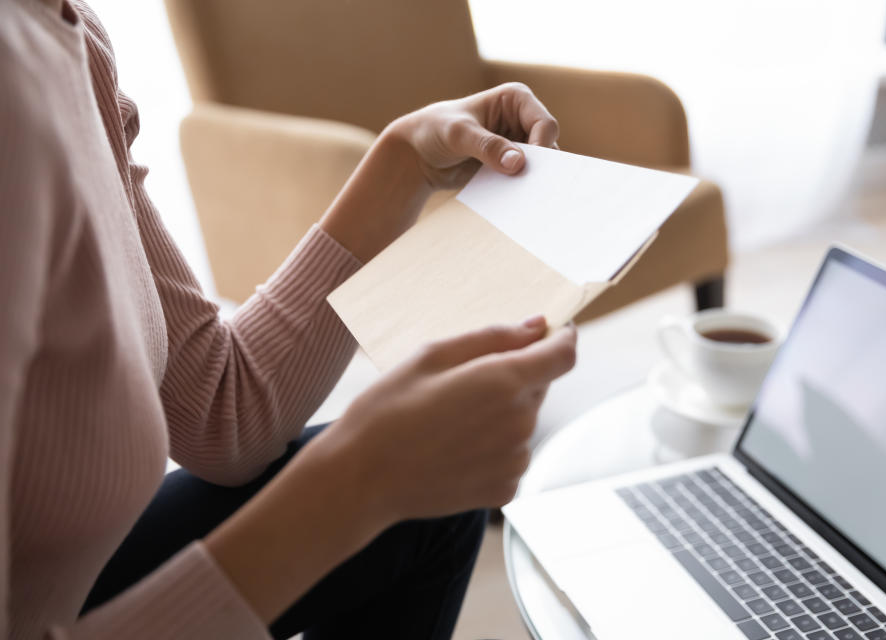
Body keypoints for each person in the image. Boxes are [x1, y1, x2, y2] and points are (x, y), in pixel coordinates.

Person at [0, 0, 577, 638]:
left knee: (428, 501)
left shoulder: (69, 31)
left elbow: (222, 410)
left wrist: (404, 164)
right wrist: (356, 487)